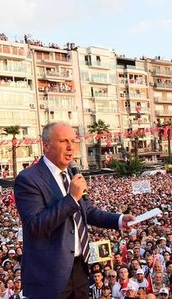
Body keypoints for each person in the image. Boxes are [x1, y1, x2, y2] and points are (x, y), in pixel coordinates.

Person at [14, 122, 135, 299]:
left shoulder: (71, 173)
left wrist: (118, 220)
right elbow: (35, 225)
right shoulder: (28, 179)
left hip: (79, 268)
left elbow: (88, 211)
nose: (71, 146)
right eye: (63, 141)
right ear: (46, 145)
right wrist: (70, 199)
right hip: (49, 274)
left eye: (73, 140)